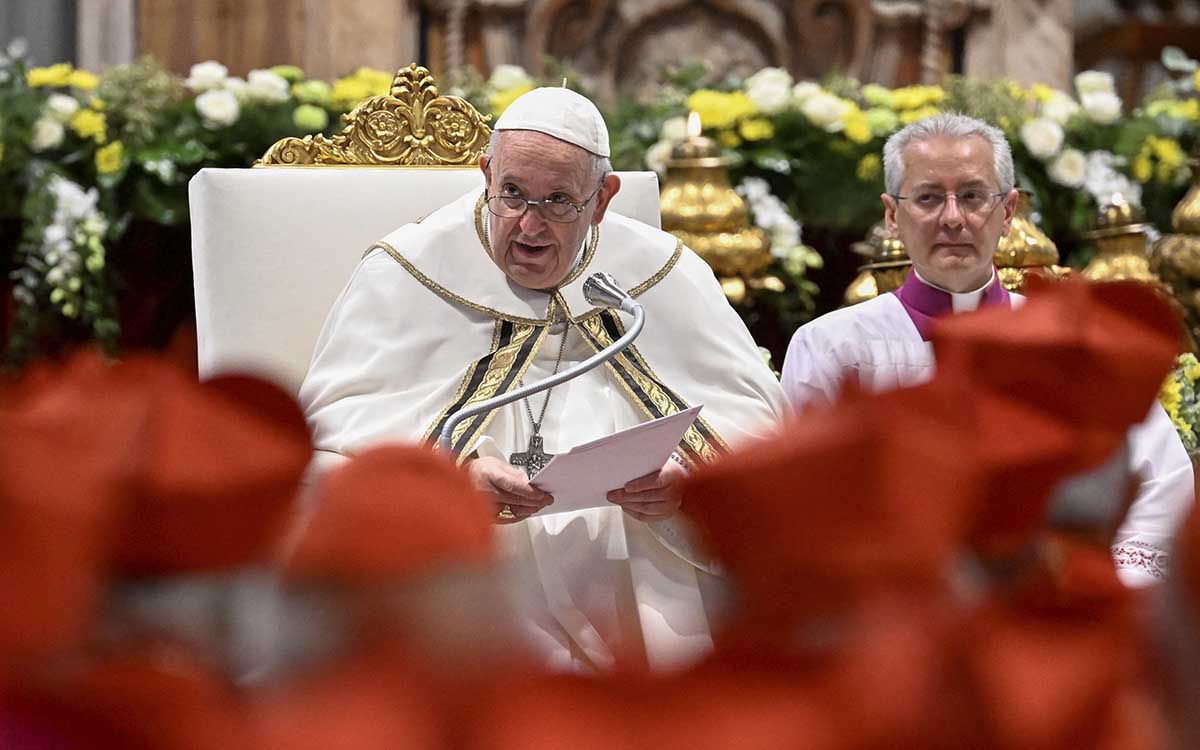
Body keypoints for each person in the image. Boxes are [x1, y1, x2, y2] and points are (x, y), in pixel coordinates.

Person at [298, 87, 788, 672]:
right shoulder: (407, 270)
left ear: (602, 199)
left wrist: (691, 484)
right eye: (511, 193)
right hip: (467, 564)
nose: (529, 226)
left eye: (558, 201)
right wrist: (448, 482)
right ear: (486, 174)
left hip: (642, 556)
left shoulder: (662, 272)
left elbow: (761, 427)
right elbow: (331, 439)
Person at [780, 112, 1193, 587]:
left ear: (1008, 211)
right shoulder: (830, 346)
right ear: (892, 215)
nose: (952, 218)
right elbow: (804, 504)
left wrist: (1089, 587)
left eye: (973, 196)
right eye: (928, 197)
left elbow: (1162, 488)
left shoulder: (1074, 342)